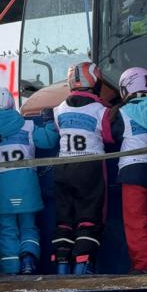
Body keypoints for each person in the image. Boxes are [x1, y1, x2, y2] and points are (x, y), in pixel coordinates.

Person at [0, 86, 59, 275]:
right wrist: (50, 122)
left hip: (1, 190)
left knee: (6, 230)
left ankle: (10, 270)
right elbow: (48, 140)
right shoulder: (27, 126)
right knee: (28, 226)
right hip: (27, 186)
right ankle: (28, 261)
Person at [104, 67, 147, 273]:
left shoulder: (122, 112)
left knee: (136, 222)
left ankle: (145, 266)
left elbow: (110, 136)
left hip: (132, 171)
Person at [52, 61, 109, 275]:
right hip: (90, 167)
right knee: (90, 217)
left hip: (62, 167)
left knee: (64, 219)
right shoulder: (101, 110)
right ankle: (83, 264)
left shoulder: (58, 109)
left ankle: (61, 264)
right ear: (96, 83)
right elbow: (109, 136)